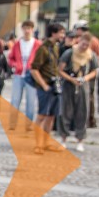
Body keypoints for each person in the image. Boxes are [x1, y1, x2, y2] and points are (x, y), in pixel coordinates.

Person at [58, 33, 99, 151]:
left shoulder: (91, 55)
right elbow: (60, 69)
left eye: (87, 45)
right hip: (68, 85)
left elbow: (95, 71)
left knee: (82, 112)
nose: (84, 46)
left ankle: (80, 140)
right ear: (79, 41)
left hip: (83, 85)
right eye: (83, 44)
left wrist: (85, 79)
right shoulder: (69, 53)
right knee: (65, 112)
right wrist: (71, 79)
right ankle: (63, 139)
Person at [30, 23, 66, 154]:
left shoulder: (55, 47)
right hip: (45, 87)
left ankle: (45, 143)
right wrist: (44, 85)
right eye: (61, 33)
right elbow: (34, 69)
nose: (63, 35)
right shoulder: (43, 49)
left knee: (51, 116)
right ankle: (38, 144)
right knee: (41, 116)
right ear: (53, 33)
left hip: (54, 86)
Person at [7, 20, 40, 131]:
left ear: (32, 30)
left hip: (31, 75)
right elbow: (10, 58)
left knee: (31, 101)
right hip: (19, 74)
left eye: (29, 28)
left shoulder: (37, 44)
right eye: (25, 28)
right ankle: (13, 122)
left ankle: (29, 123)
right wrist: (15, 65)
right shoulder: (17, 44)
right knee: (15, 100)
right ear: (22, 29)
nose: (27, 31)